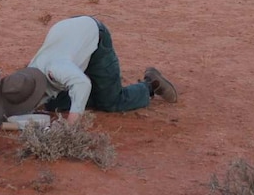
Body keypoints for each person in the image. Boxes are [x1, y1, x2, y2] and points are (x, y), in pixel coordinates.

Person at [17, 15, 177, 123]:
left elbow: (82, 83)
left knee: (111, 102)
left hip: (95, 39)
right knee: (54, 104)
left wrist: (72, 125)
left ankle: (149, 85)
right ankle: (97, 93)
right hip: (72, 32)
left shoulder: (55, 68)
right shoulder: (33, 71)